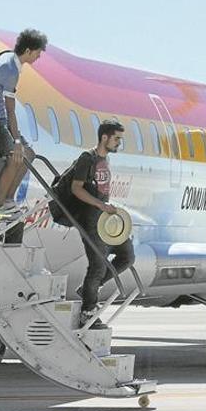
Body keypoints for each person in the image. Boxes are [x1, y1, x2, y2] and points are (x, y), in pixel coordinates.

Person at [73, 120, 135, 329]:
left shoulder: (105, 159)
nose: (119, 143)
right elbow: (76, 189)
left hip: (105, 219)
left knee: (127, 256)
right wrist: (100, 204)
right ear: (105, 137)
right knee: (98, 265)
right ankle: (87, 311)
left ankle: (89, 289)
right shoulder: (87, 159)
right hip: (90, 218)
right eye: (116, 138)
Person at [0, 28, 47, 212]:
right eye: (38, 54)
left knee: (28, 154)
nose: (38, 58)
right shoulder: (10, 70)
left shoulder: (10, 60)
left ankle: (8, 198)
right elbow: (10, 110)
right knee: (15, 158)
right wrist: (16, 142)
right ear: (28, 51)